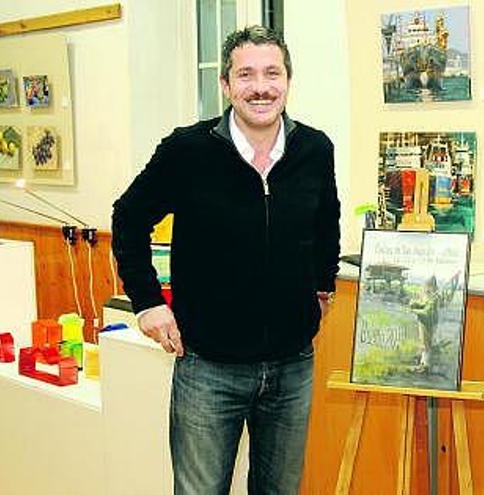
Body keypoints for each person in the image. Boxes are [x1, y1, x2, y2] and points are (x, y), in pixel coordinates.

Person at [112, 25, 340, 495]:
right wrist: (147, 302)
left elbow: (326, 222)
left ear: (288, 80)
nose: (260, 86)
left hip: (292, 366)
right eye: (246, 74)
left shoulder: (315, 149)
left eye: (272, 73)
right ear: (226, 85)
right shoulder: (187, 150)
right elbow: (128, 218)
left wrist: (323, 284)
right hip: (208, 368)